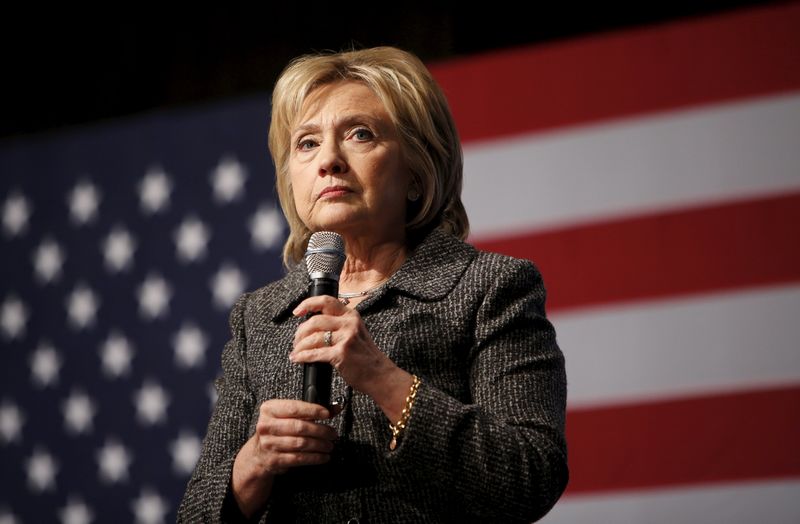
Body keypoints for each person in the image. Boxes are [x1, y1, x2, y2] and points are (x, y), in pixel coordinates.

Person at [178, 46, 568, 523]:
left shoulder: (491, 288)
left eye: (360, 134)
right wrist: (253, 462)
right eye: (306, 143)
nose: (329, 161)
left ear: (417, 173)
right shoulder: (258, 316)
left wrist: (386, 381)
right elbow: (194, 515)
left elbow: (530, 476)